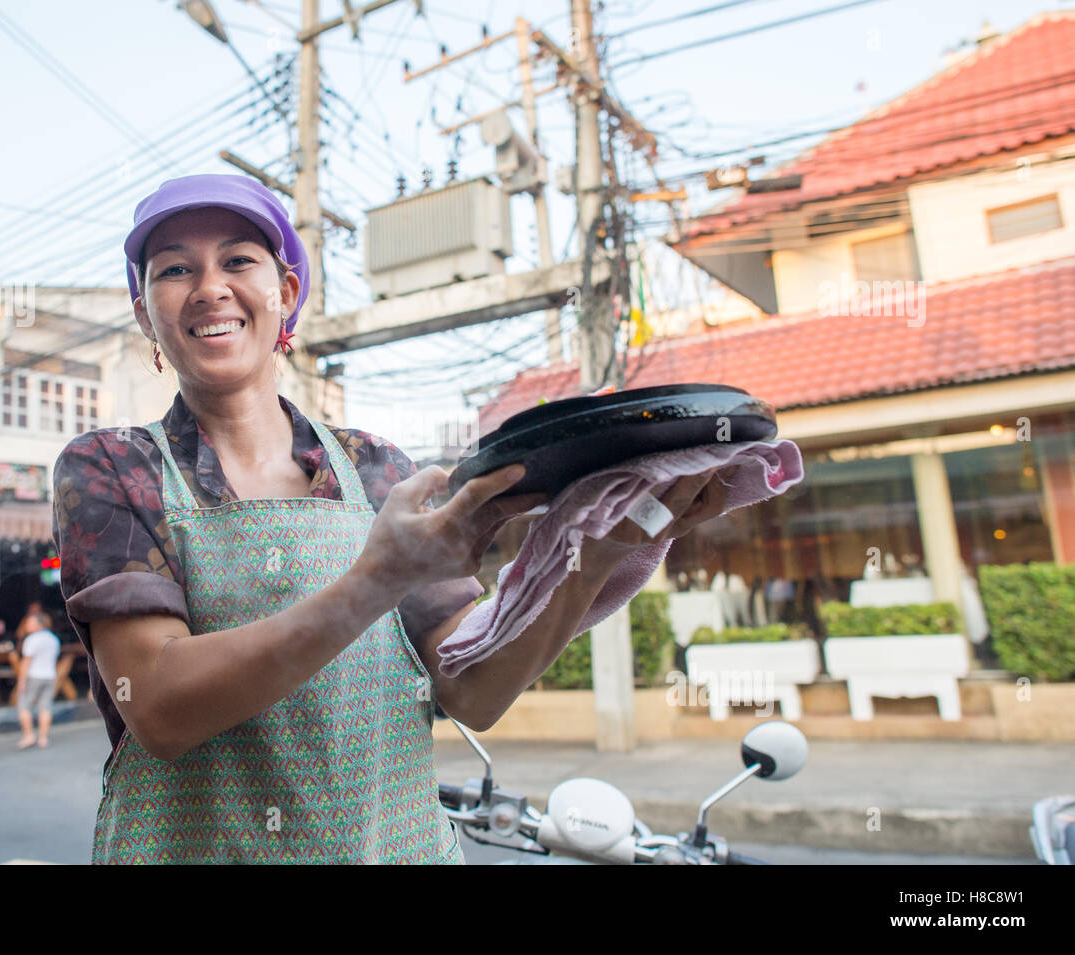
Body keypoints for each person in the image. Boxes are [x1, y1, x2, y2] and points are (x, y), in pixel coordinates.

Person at [52, 174, 729, 865]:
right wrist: (379, 578)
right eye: (174, 269)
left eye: (237, 260)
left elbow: (474, 688)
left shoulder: (375, 466)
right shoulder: (112, 468)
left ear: (284, 293)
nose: (209, 286)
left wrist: (600, 550)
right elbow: (161, 706)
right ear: (146, 312)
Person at [15, 611, 60, 749]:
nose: (27, 625)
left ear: (38, 625)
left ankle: (29, 736)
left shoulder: (31, 640)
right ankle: (43, 738)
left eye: (30, 623)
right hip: (50, 676)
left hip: (34, 676)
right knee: (45, 707)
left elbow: (26, 662)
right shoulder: (53, 639)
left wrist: (21, 680)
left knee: (24, 706)